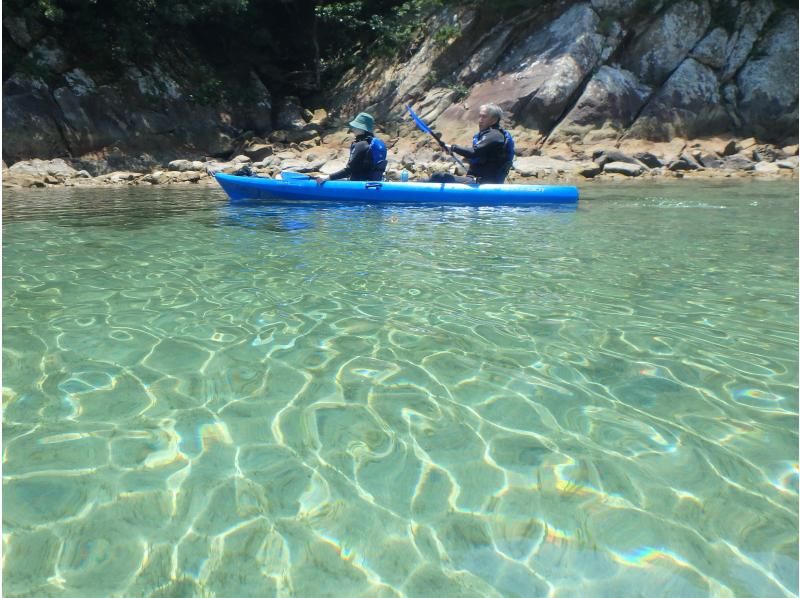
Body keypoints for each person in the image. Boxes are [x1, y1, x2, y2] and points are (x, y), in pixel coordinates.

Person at [430, 103, 515, 184]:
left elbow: (473, 152)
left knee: (438, 177)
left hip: (483, 184)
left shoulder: (494, 135)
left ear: (494, 120)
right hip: (477, 181)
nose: (480, 120)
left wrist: (453, 147)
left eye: (484, 117)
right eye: (480, 116)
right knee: (437, 177)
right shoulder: (490, 135)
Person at [316, 112, 387, 183]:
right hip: (370, 183)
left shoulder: (361, 145)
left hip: (358, 185)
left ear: (362, 129)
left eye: (356, 126)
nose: (353, 128)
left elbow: (348, 171)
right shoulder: (369, 144)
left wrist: (328, 177)